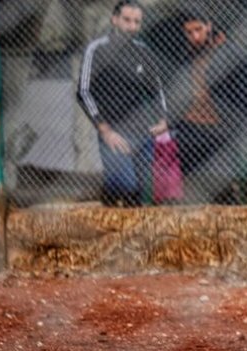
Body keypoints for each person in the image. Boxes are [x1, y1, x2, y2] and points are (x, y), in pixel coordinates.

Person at [169, 7, 247, 204]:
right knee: (192, 187)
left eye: (199, 30)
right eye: (189, 32)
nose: (195, 36)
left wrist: (242, 127)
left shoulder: (228, 53)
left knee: (221, 185)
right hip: (189, 128)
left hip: (219, 129)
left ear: (209, 26)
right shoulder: (182, 57)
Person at [77, 0, 167, 206]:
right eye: (127, 20)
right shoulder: (97, 49)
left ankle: (127, 225)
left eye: (137, 22)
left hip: (144, 131)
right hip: (114, 132)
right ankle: (108, 196)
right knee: (126, 185)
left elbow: (157, 89)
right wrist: (104, 129)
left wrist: (163, 119)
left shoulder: (144, 50)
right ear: (114, 19)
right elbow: (83, 92)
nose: (132, 26)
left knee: (144, 193)